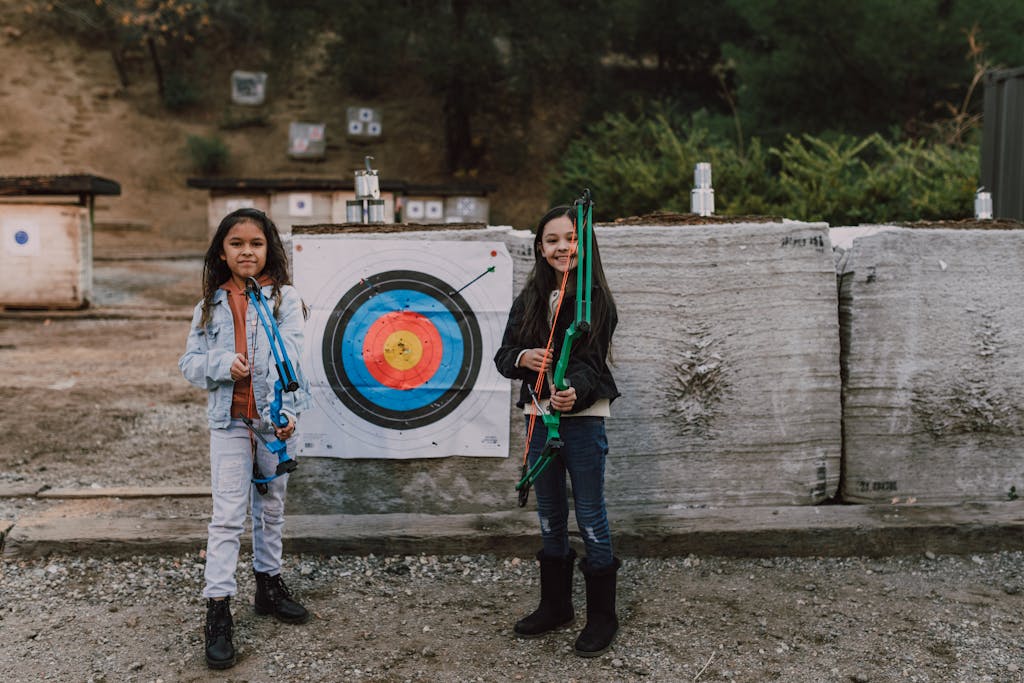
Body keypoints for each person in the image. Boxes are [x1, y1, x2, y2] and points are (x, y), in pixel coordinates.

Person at [179, 208, 311, 670]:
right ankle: (218, 612)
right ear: (222, 251)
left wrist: (289, 414)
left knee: (272, 506)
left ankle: (268, 587)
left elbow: (295, 361)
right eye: (237, 244)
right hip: (230, 422)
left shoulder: (285, 300)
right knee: (229, 515)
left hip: (274, 425)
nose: (247, 251)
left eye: (256, 243)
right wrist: (221, 364)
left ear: (268, 249)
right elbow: (189, 364)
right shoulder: (209, 304)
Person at [494, 205, 621, 657]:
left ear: (584, 244)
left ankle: (603, 616)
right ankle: (556, 606)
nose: (563, 247)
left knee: (589, 516)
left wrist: (574, 393)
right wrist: (525, 357)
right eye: (552, 240)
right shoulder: (528, 299)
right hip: (537, 418)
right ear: (540, 248)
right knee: (549, 515)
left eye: (571, 238)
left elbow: (590, 362)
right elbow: (504, 356)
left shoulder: (596, 301)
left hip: (583, 423)